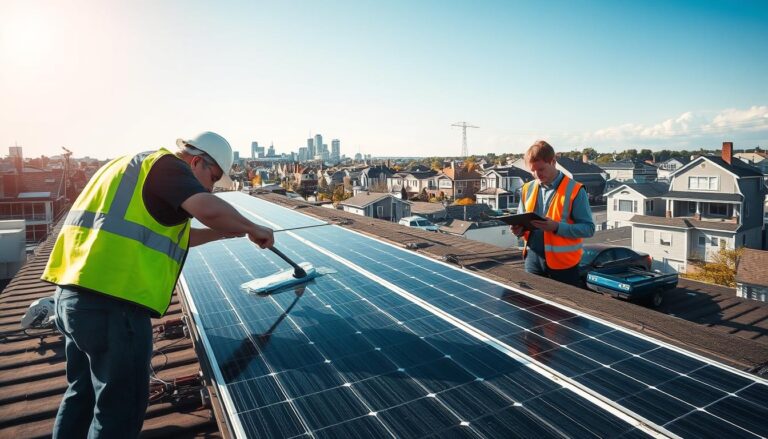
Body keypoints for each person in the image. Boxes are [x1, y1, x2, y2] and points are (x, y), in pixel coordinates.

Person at [41, 131, 275, 438]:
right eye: (214, 178)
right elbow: (209, 208)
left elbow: (171, 235)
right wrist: (253, 227)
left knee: (81, 395)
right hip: (113, 305)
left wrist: (224, 232)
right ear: (196, 162)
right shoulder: (167, 167)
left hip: (73, 298)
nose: (211, 187)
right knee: (119, 411)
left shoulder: (126, 166)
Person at [511, 140, 594, 286]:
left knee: (563, 307)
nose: (537, 174)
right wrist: (519, 230)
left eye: (541, 169)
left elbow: (588, 229)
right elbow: (522, 221)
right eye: (533, 170)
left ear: (553, 162)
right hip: (533, 260)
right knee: (533, 305)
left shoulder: (575, 190)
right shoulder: (527, 189)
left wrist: (556, 227)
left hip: (564, 266)